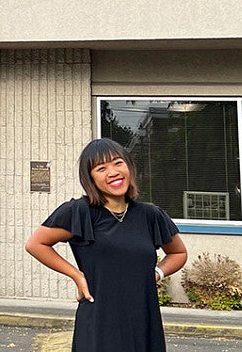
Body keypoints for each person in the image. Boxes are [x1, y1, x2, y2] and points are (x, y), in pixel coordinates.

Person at [25, 138, 187, 352]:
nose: (113, 172)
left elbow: (178, 252)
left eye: (118, 163)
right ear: (90, 178)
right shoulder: (79, 212)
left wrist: (157, 273)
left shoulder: (150, 215)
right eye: (101, 168)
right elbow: (36, 244)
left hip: (143, 318)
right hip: (100, 320)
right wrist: (77, 275)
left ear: (129, 166)